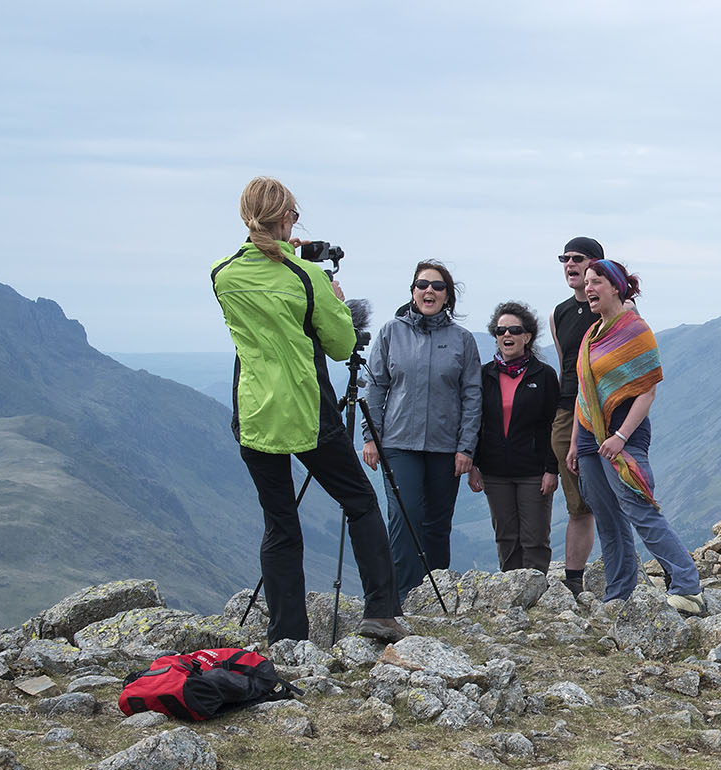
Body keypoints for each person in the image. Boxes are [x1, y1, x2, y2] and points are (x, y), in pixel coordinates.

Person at [209, 176, 409, 643]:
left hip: (255, 410)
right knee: (360, 503)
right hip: (306, 410)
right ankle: (380, 611)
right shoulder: (309, 278)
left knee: (279, 523)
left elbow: (265, 315)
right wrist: (334, 301)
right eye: (293, 216)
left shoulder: (222, 274)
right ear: (285, 218)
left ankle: (288, 635)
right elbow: (341, 345)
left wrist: (283, 253)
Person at [565, 258, 704, 614]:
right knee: (607, 517)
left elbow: (647, 391)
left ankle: (688, 586)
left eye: (597, 281)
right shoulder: (592, 333)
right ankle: (619, 595)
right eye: (588, 281)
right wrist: (574, 443)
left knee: (639, 508)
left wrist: (621, 437)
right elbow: (586, 390)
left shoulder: (636, 331)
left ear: (616, 287)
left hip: (623, 435)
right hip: (588, 437)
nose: (589, 287)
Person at [360, 260, 482, 599]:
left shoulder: (463, 340)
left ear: (448, 296)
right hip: (398, 444)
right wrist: (370, 437)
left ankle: (435, 595)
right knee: (405, 516)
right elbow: (376, 387)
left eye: (438, 286)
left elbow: (472, 396)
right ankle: (404, 597)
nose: (430, 290)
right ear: (413, 292)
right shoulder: (390, 332)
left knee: (438, 524)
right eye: (422, 284)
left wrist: (466, 448)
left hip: (447, 448)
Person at [468, 302, 560, 571]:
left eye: (514, 330)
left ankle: (536, 594)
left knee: (535, 538)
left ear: (527, 336)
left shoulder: (543, 375)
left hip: (533, 470)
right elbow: (475, 421)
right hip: (494, 470)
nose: (507, 335)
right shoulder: (485, 375)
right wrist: (473, 464)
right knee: (506, 537)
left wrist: (551, 469)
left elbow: (554, 424)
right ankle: (511, 596)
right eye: (501, 330)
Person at [550, 237, 602, 595]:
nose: (570, 264)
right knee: (578, 502)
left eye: (577, 258)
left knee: (613, 493)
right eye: (565, 259)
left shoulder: (615, 308)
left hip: (604, 411)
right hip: (568, 409)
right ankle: (574, 582)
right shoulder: (559, 314)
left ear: (596, 264)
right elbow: (564, 367)